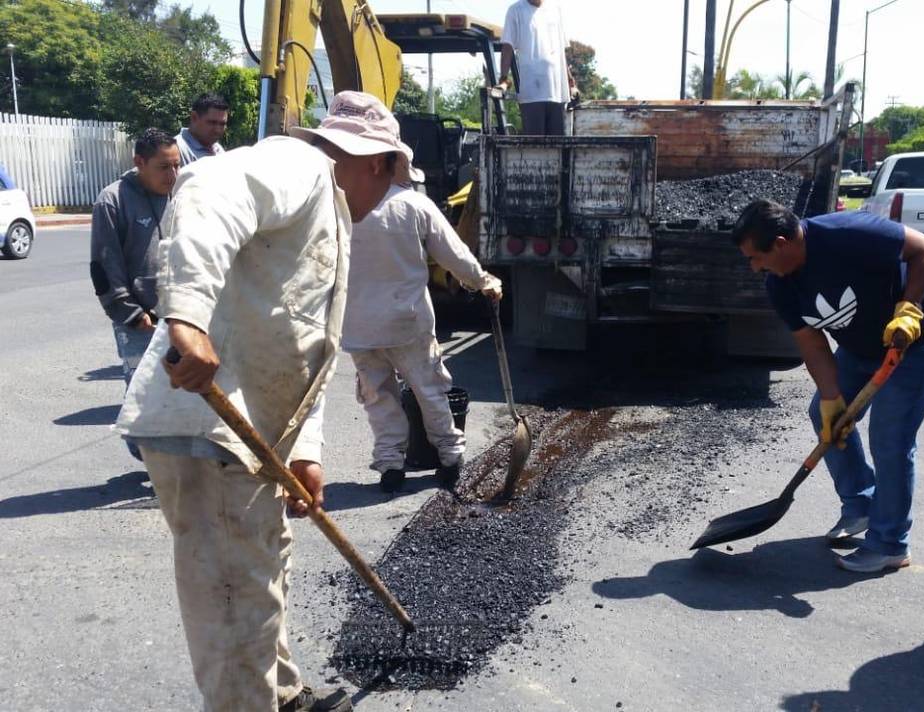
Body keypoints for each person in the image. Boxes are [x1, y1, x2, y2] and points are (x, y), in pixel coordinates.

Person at [114, 91, 415, 712]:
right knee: (233, 602)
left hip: (252, 442)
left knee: (259, 575)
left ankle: (280, 696)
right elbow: (206, 191)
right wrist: (188, 318)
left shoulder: (327, 208)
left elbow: (301, 343)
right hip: (211, 427)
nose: (385, 198)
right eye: (390, 182)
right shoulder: (297, 167)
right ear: (377, 162)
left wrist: (304, 452)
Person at [732, 200, 924, 573]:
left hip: (918, 337)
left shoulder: (847, 233)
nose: (755, 268)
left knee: (891, 437)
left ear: (783, 243)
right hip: (862, 345)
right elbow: (812, 344)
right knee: (825, 416)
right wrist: (832, 400)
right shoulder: (780, 285)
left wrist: (909, 309)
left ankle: (890, 543)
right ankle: (861, 506)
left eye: (756, 258)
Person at [344, 178, 503, 493]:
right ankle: (449, 455)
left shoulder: (343, 205)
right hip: (408, 322)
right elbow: (453, 254)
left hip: (358, 324)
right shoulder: (415, 204)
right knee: (429, 390)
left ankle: (390, 464)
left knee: (378, 396)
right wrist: (483, 281)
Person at [90, 128, 180, 460]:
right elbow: (104, 267)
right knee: (144, 397)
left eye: (176, 165)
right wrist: (130, 313)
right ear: (139, 162)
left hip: (181, 315)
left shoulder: (180, 194)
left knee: (184, 393)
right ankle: (149, 455)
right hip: (139, 322)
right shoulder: (112, 200)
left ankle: (171, 464)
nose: (172, 175)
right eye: (163, 167)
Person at [497, 0, 578, 136]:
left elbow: (560, 51)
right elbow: (507, 47)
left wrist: (570, 82)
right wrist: (504, 78)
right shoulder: (516, 10)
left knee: (558, 146)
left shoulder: (555, 10)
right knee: (535, 146)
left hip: (557, 92)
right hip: (532, 94)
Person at [175, 92, 229, 165]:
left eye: (222, 124)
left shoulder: (218, 149)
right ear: (194, 117)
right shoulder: (177, 150)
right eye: (212, 123)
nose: (217, 130)